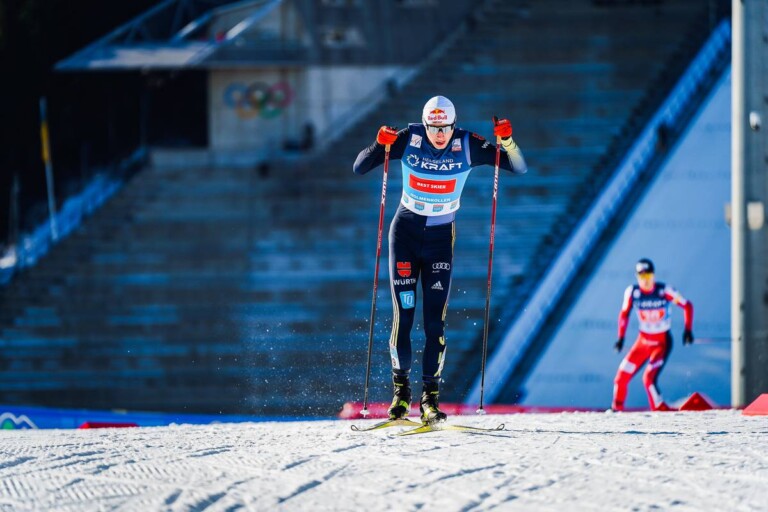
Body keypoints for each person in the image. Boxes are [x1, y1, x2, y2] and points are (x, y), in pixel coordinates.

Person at [353, 95, 527, 424]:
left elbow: (517, 165)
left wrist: (507, 141)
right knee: (403, 318)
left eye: (445, 127)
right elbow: (360, 166)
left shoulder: (467, 144)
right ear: (426, 124)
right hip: (404, 235)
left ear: (453, 125)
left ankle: (429, 400)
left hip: (439, 242)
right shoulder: (409, 138)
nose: (439, 135)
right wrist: (378, 145)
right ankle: (401, 395)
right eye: (433, 127)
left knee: (435, 323)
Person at [612, 258, 694, 412]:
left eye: (648, 276)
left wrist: (688, 330)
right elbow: (624, 315)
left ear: (653, 275)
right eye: (642, 277)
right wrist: (621, 338)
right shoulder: (632, 292)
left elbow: (687, 306)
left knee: (648, 379)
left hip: (661, 343)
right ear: (637, 277)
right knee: (621, 378)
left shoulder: (664, 291)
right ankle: (616, 410)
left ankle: (659, 411)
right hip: (642, 343)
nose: (646, 281)